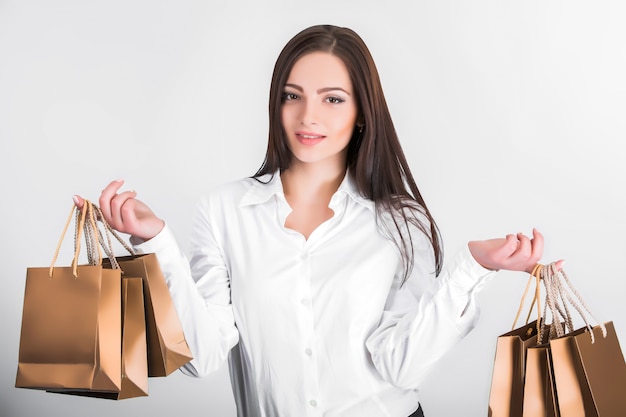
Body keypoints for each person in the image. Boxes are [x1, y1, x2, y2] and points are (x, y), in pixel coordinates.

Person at [74, 24, 559, 417]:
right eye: (292, 96)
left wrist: (472, 268)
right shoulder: (223, 211)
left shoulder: (398, 221)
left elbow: (402, 366)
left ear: (362, 112)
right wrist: (155, 242)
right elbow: (200, 360)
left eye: (332, 99)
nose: (308, 116)